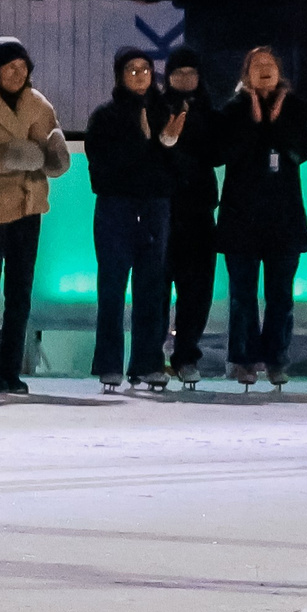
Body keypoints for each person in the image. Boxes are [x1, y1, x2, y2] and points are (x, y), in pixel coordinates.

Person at [0, 36, 71, 398]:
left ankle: (11, 369)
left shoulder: (38, 105)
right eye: (10, 66)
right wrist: (8, 156)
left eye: (23, 67)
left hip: (28, 206)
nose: (17, 73)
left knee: (20, 292)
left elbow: (47, 150)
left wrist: (55, 157)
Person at [216, 46, 307, 391]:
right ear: (246, 74)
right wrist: (255, 121)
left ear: (280, 72)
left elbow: (302, 150)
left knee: (281, 295)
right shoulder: (232, 110)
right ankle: (242, 359)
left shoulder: (294, 108)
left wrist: (275, 124)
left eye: (270, 65)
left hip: (284, 219)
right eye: (257, 65)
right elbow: (222, 152)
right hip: (241, 217)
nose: (264, 70)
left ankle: (277, 359)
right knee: (242, 294)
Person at [85, 49, 181, 391]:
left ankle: (147, 363)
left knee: (152, 288)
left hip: (155, 208)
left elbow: (174, 170)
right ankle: (109, 364)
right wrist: (140, 143)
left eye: (145, 69)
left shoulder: (166, 112)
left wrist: (168, 144)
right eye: (132, 70)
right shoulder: (106, 117)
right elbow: (100, 172)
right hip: (116, 209)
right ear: (119, 75)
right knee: (112, 288)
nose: (140, 75)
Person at [160, 49, 219, 385]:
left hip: (199, 212)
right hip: (164, 211)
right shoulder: (157, 108)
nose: (184, 79)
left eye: (190, 72)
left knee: (196, 291)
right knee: (158, 288)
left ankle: (186, 355)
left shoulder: (210, 112)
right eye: (178, 72)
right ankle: (152, 354)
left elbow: (217, 151)